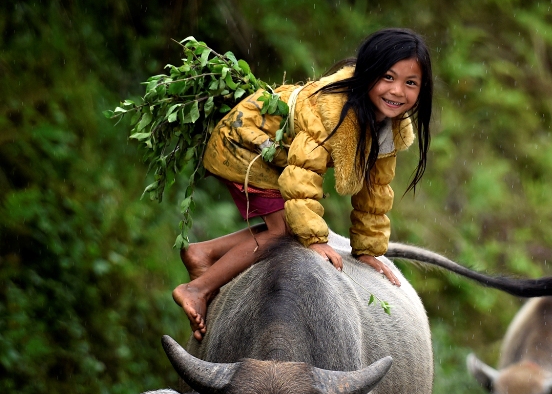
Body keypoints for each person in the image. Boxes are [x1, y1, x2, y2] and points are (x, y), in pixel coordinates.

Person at [171, 28, 433, 340]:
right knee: (285, 231)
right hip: (246, 144)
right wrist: (315, 238)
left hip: (276, 155)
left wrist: (367, 249)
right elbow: (302, 175)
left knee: (284, 229)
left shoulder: (389, 127)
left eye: (411, 83)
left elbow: (375, 189)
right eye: (388, 77)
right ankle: (196, 289)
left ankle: (205, 253)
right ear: (367, 74)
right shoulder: (331, 111)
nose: (398, 91)